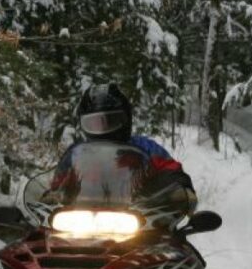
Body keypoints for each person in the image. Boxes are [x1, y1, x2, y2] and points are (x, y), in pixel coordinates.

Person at [50, 83, 196, 213]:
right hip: (82, 221)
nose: (103, 129)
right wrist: (50, 195)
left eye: (111, 121)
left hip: (139, 219)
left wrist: (179, 190)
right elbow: (58, 183)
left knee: (172, 241)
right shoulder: (76, 155)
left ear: (126, 119)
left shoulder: (146, 148)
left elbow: (171, 171)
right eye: (94, 124)